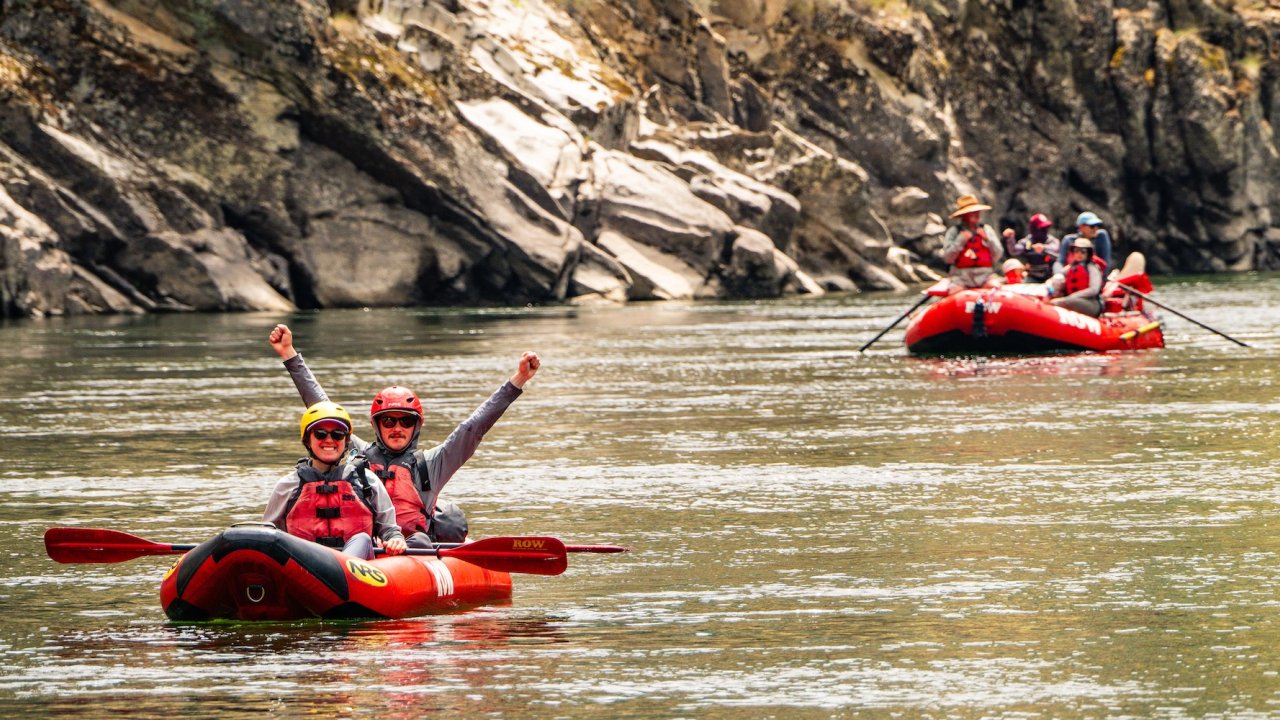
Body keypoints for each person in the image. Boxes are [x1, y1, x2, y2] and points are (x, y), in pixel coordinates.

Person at [269, 324, 539, 549]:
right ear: (377, 425)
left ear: (415, 427)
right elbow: (322, 409)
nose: (397, 428)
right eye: (388, 420)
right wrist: (290, 356)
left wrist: (517, 380)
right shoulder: (354, 452)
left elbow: (474, 427)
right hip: (361, 547)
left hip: (412, 549)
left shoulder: (432, 464)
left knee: (420, 541)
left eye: (405, 421)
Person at [263, 401, 408, 560]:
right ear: (307, 440)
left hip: (359, 571)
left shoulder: (367, 481)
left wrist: (395, 540)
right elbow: (269, 536)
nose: (329, 440)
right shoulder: (287, 486)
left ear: (346, 441)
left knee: (363, 539)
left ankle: (343, 570)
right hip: (304, 567)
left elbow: (389, 531)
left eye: (337, 434)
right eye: (320, 434)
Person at [941, 195, 1003, 292]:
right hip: (961, 277)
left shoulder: (986, 230)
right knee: (955, 291)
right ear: (964, 216)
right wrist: (960, 240)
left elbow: (998, 254)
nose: (977, 214)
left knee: (994, 288)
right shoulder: (954, 232)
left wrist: (988, 239)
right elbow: (948, 258)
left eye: (977, 212)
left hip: (985, 275)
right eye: (972, 213)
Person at [1046, 238, 1104, 316]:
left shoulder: (1092, 268)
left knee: (1066, 302)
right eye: (1076, 251)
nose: (1079, 254)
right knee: (1058, 278)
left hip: (1091, 303)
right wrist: (1049, 288)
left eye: (1083, 252)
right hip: (1071, 298)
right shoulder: (1071, 267)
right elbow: (1056, 277)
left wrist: (1072, 297)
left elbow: (1094, 290)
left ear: (1088, 253)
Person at [1001, 213, 1059, 282]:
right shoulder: (1027, 242)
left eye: (1045, 228)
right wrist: (1010, 238)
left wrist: (1044, 248)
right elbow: (1014, 251)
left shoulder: (1052, 241)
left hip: (1051, 277)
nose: (1044, 230)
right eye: (1041, 228)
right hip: (1033, 276)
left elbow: (1056, 250)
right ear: (1033, 229)